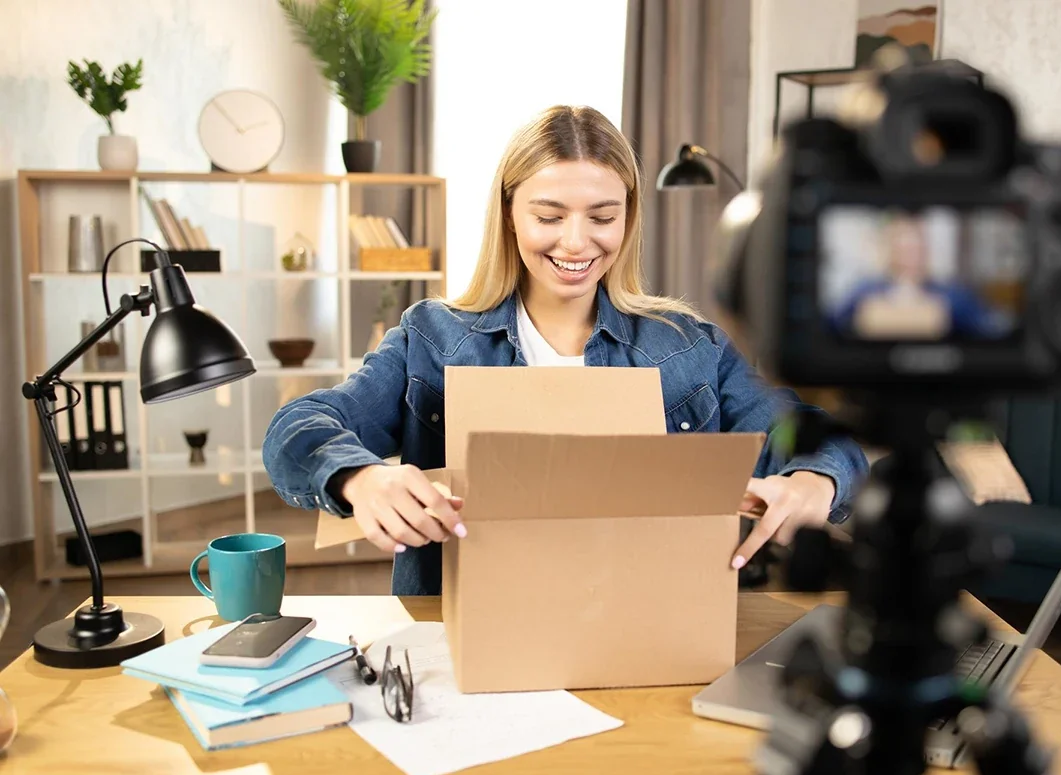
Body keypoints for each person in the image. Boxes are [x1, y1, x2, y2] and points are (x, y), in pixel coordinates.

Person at [262, 105, 869, 596]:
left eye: (602, 216)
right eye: (549, 216)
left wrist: (817, 480)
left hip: (651, 631)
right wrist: (360, 478)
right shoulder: (432, 338)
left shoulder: (690, 347)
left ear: (628, 220)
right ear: (508, 216)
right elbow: (297, 428)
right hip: (463, 638)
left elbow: (812, 432)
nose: (576, 242)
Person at [830, 214, 1007, 340]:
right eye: (905, 248)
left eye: (916, 247)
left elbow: (990, 326)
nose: (912, 255)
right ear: (893, 249)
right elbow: (833, 323)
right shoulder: (866, 290)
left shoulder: (951, 293)